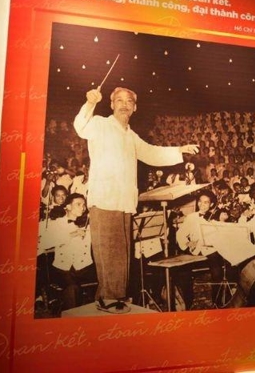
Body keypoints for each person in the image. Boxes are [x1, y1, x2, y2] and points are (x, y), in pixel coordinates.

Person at [73, 86, 198, 314]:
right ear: (111, 105)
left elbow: (151, 153)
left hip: (124, 203)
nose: (123, 104)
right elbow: (80, 126)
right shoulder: (100, 124)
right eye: (118, 100)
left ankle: (116, 297)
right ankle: (108, 298)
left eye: (128, 101)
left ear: (134, 108)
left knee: (122, 254)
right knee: (107, 252)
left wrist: (180, 150)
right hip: (104, 200)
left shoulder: (131, 135)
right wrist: (90, 103)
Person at [37, 193, 95, 312]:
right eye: (78, 204)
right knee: (71, 288)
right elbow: (44, 243)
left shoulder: (88, 223)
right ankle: (71, 317)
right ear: (68, 207)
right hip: (62, 268)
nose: (82, 208)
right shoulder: (57, 224)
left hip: (84, 267)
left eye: (84, 205)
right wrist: (71, 235)